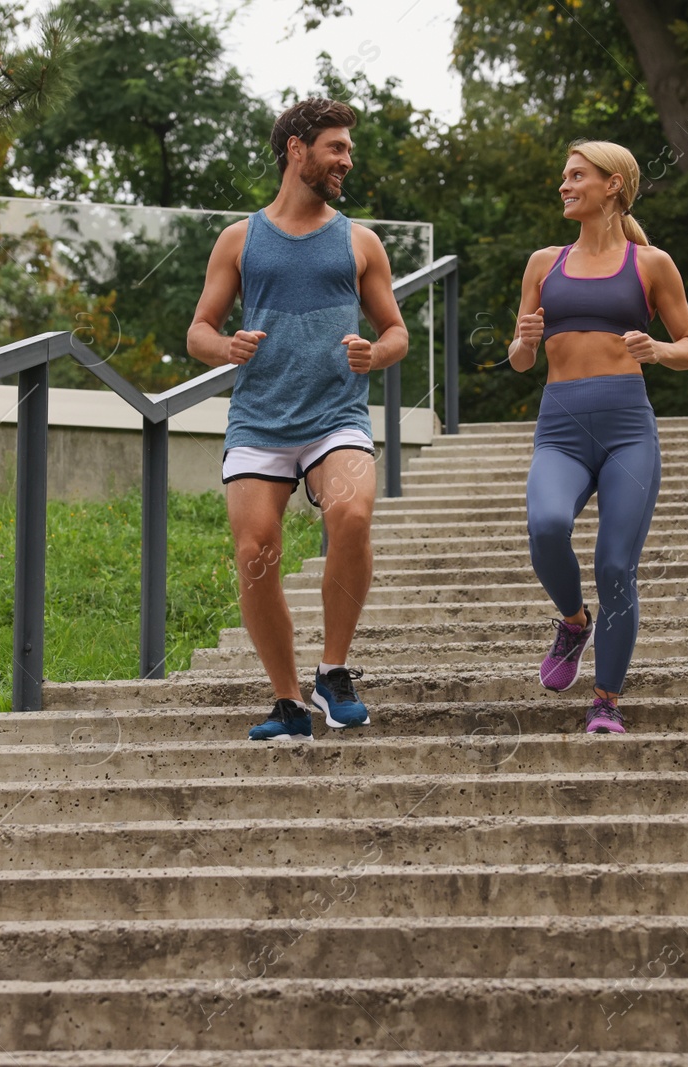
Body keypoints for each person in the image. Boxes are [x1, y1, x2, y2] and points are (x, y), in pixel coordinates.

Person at [187, 98, 409, 741]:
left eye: (347, 149)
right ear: (296, 150)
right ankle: (288, 704)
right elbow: (199, 330)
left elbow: (395, 331)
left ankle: (332, 672)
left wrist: (375, 353)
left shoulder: (359, 241)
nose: (347, 159)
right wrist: (225, 348)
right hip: (259, 419)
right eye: (336, 148)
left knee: (353, 514)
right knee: (256, 551)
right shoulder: (240, 239)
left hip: (335, 413)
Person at [507, 139, 688, 735]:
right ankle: (572, 622)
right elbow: (518, 361)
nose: (564, 186)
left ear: (613, 185)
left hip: (627, 429)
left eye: (576, 176)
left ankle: (605, 702)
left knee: (616, 565)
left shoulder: (651, 264)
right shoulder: (545, 263)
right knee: (545, 526)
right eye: (563, 177)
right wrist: (524, 342)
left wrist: (658, 350)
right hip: (561, 424)